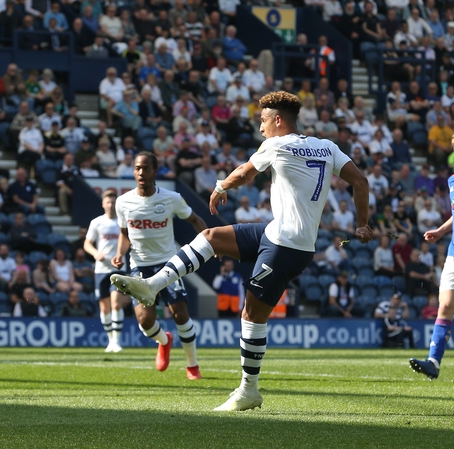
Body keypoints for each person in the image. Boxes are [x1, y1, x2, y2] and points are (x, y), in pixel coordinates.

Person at [111, 91, 372, 411]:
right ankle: (153, 285)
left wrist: (221, 187)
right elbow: (361, 181)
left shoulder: (277, 144)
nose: (260, 127)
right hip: (278, 233)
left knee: (252, 315)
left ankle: (249, 389)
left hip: (286, 246)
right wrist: (362, 224)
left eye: (263, 120)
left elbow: (246, 173)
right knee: (211, 236)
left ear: (278, 120)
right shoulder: (327, 146)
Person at [110, 151, 208, 379]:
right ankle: (164, 341)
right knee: (145, 321)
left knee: (180, 314)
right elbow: (124, 234)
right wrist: (119, 253)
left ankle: (192, 366)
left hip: (168, 264)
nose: (141, 172)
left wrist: (209, 245)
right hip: (139, 266)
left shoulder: (171, 198)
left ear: (155, 171)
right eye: (137, 168)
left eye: (145, 168)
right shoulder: (123, 202)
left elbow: (195, 219)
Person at [84, 190, 126, 352]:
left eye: (113, 202)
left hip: (119, 268)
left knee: (116, 303)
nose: (110, 205)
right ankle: (110, 341)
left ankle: (117, 341)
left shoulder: (123, 222)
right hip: (101, 269)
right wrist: (96, 253)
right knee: (104, 307)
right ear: (103, 204)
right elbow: (87, 244)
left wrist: (121, 255)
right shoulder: (97, 222)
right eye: (108, 202)